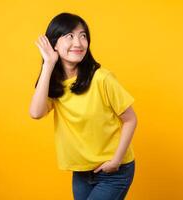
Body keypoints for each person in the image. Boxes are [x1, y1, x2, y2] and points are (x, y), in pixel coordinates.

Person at [29, 12, 138, 200]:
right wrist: (48, 64)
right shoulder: (54, 85)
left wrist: (116, 161)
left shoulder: (102, 78)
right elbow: (36, 113)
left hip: (113, 171)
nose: (79, 43)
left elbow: (130, 119)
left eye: (83, 35)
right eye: (70, 36)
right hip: (81, 172)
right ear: (54, 43)